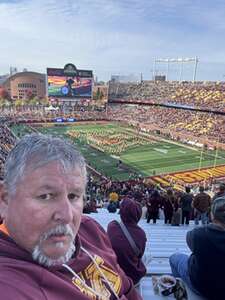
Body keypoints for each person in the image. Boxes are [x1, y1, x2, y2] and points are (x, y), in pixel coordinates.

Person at [0, 133, 142, 300]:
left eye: (73, 196)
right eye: (46, 196)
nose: (67, 216)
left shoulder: (90, 228)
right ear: (5, 199)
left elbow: (126, 287)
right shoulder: (9, 285)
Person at [169, 196, 225, 299]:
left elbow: (192, 244)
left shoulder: (198, 233)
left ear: (212, 215)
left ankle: (178, 291)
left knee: (174, 257)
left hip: (202, 286)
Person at [107, 198, 147, 285]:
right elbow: (139, 255)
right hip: (132, 278)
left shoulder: (112, 226)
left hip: (113, 275)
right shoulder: (141, 234)